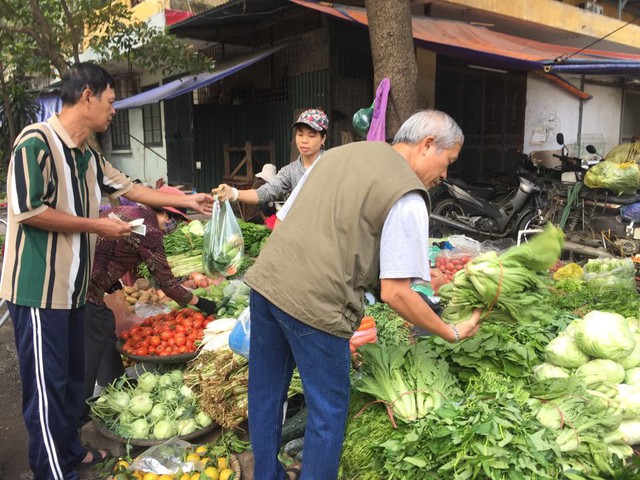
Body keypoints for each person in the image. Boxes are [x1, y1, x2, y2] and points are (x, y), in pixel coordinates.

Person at [242, 109, 483, 480]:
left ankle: (266, 476)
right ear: (427, 145)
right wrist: (449, 331)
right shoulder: (407, 193)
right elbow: (396, 293)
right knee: (328, 411)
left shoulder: (337, 155)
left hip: (267, 283)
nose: (445, 175)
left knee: (265, 392)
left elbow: (288, 219)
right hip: (316, 306)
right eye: (448, 162)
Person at [0, 62, 213, 480]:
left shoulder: (88, 155)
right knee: (46, 387)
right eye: (112, 102)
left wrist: (189, 202)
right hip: (38, 291)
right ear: (87, 96)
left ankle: (71, 451)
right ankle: (51, 471)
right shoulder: (36, 142)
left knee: (70, 381)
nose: (115, 110)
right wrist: (98, 225)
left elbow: (131, 188)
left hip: (76, 291)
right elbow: (29, 210)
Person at [81, 185, 218, 421]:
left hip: (82, 275)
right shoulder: (150, 231)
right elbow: (167, 284)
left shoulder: (129, 212)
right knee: (92, 341)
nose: (173, 225)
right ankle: (79, 411)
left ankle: (115, 383)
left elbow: (110, 249)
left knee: (103, 325)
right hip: (85, 288)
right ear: (163, 212)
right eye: (173, 218)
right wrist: (202, 303)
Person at [212, 108, 329, 205]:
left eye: (311, 135)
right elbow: (265, 192)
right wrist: (233, 193)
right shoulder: (290, 171)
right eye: (300, 134)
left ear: (323, 138)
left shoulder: (332, 164)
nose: (304, 140)